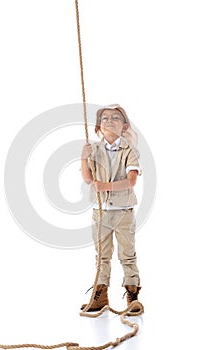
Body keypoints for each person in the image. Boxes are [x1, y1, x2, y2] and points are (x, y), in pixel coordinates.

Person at [80, 104, 142, 312]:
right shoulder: (94, 149)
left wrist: (105, 186)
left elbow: (131, 181)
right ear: (99, 126)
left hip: (123, 211)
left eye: (115, 118)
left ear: (124, 126)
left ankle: (132, 295)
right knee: (102, 254)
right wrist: (83, 157)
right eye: (105, 118)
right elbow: (88, 179)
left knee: (127, 253)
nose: (109, 121)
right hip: (101, 211)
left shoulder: (129, 150)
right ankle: (100, 295)